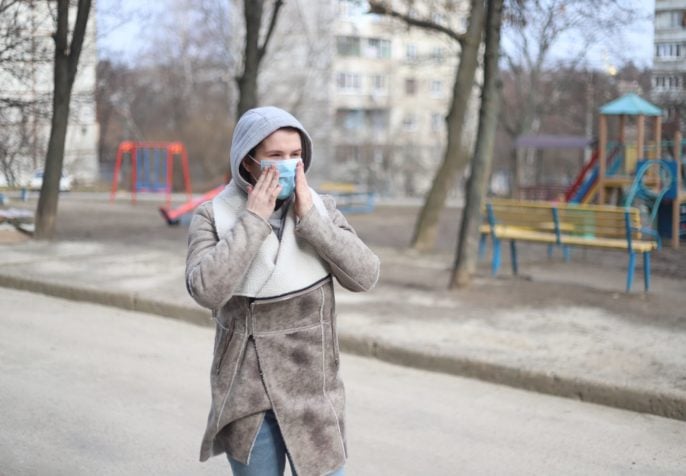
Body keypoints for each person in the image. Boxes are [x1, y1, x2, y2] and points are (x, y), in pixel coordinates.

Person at [185, 106, 380, 476]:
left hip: (314, 391)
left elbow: (366, 274)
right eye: (275, 156)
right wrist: (254, 220)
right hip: (247, 395)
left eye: (296, 155)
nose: (288, 164)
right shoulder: (214, 215)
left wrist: (312, 221)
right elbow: (205, 290)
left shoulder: (320, 208)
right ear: (248, 162)